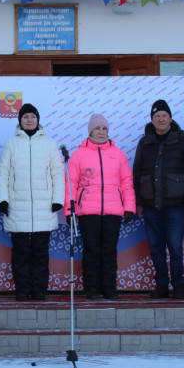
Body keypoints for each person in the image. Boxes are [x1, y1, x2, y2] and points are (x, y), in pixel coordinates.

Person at [132, 100, 184, 300]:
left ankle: (179, 286)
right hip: (150, 205)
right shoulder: (144, 142)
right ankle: (161, 286)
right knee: (155, 249)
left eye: (164, 115)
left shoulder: (183, 139)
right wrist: (137, 202)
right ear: (152, 120)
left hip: (175, 205)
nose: (161, 119)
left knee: (175, 248)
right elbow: (136, 173)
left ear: (170, 118)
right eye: (156, 116)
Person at [0, 104, 65, 301]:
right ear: (20, 120)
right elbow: (3, 174)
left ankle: (39, 289)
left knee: (40, 253)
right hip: (17, 208)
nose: (29, 120)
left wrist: (57, 199)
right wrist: (3, 200)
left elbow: (57, 173)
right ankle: (23, 289)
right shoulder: (11, 144)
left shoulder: (49, 143)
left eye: (32, 116)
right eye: (25, 116)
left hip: (44, 208)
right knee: (21, 253)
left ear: (38, 119)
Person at [65, 113, 136, 300]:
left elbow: (127, 182)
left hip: (113, 211)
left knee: (109, 251)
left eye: (104, 128)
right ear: (90, 130)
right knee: (91, 250)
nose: (101, 132)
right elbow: (70, 185)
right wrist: (69, 211)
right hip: (87, 211)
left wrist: (129, 207)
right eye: (98, 128)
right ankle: (92, 289)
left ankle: (109, 288)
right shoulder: (79, 154)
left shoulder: (118, 154)